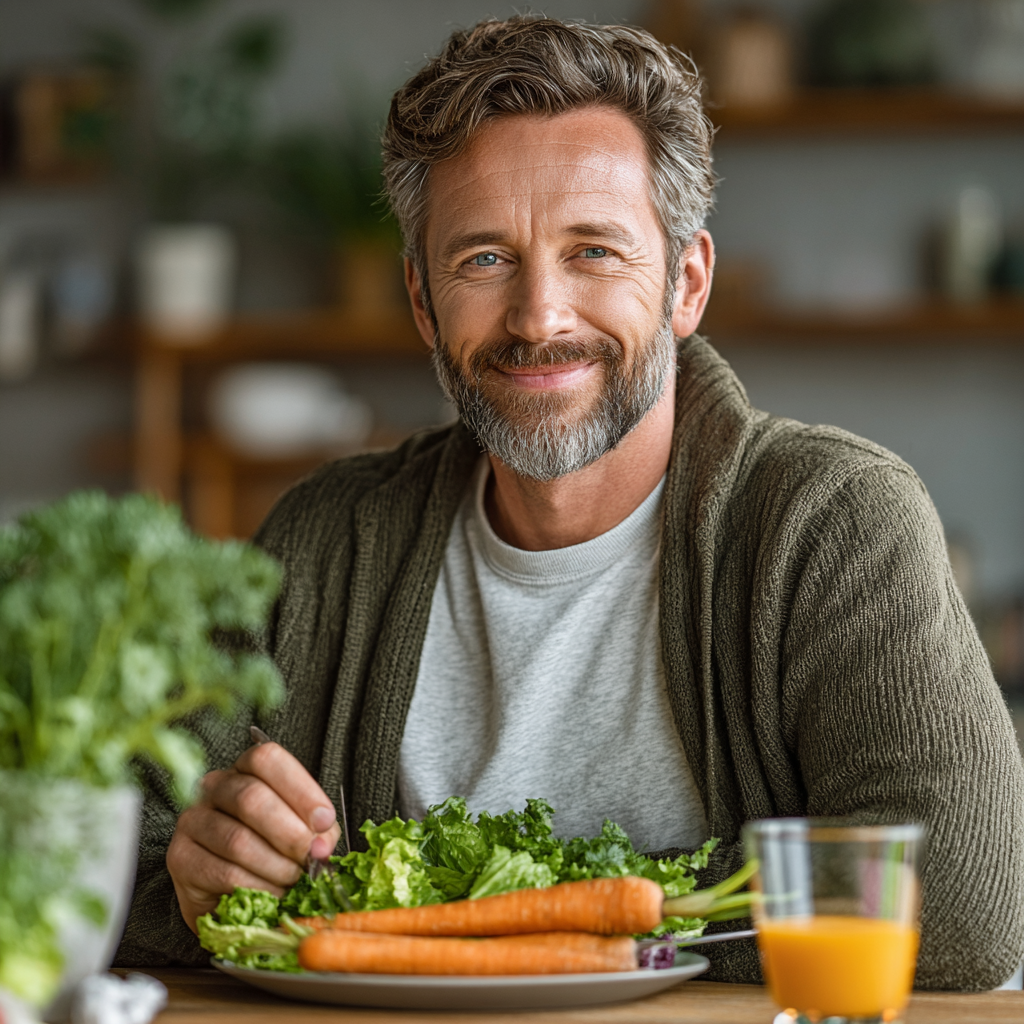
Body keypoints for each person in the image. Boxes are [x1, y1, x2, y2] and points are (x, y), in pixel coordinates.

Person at [116, 16, 1024, 988]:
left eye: (593, 251)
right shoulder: (325, 536)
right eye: (483, 260)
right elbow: (100, 865)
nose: (539, 316)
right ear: (422, 303)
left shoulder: (833, 521)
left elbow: (963, 915)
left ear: (685, 282)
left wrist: (444, 926)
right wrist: (196, 875)